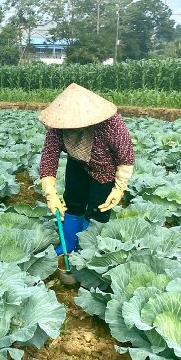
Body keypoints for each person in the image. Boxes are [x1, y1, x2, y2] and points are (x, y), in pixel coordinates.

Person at [38, 83, 134, 255]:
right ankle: (69, 244)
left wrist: (119, 188)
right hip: (76, 163)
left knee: (99, 207)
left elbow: (125, 157)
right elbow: (49, 157)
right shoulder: (59, 126)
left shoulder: (112, 124)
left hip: (105, 169)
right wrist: (50, 194)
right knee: (73, 202)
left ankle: (88, 249)